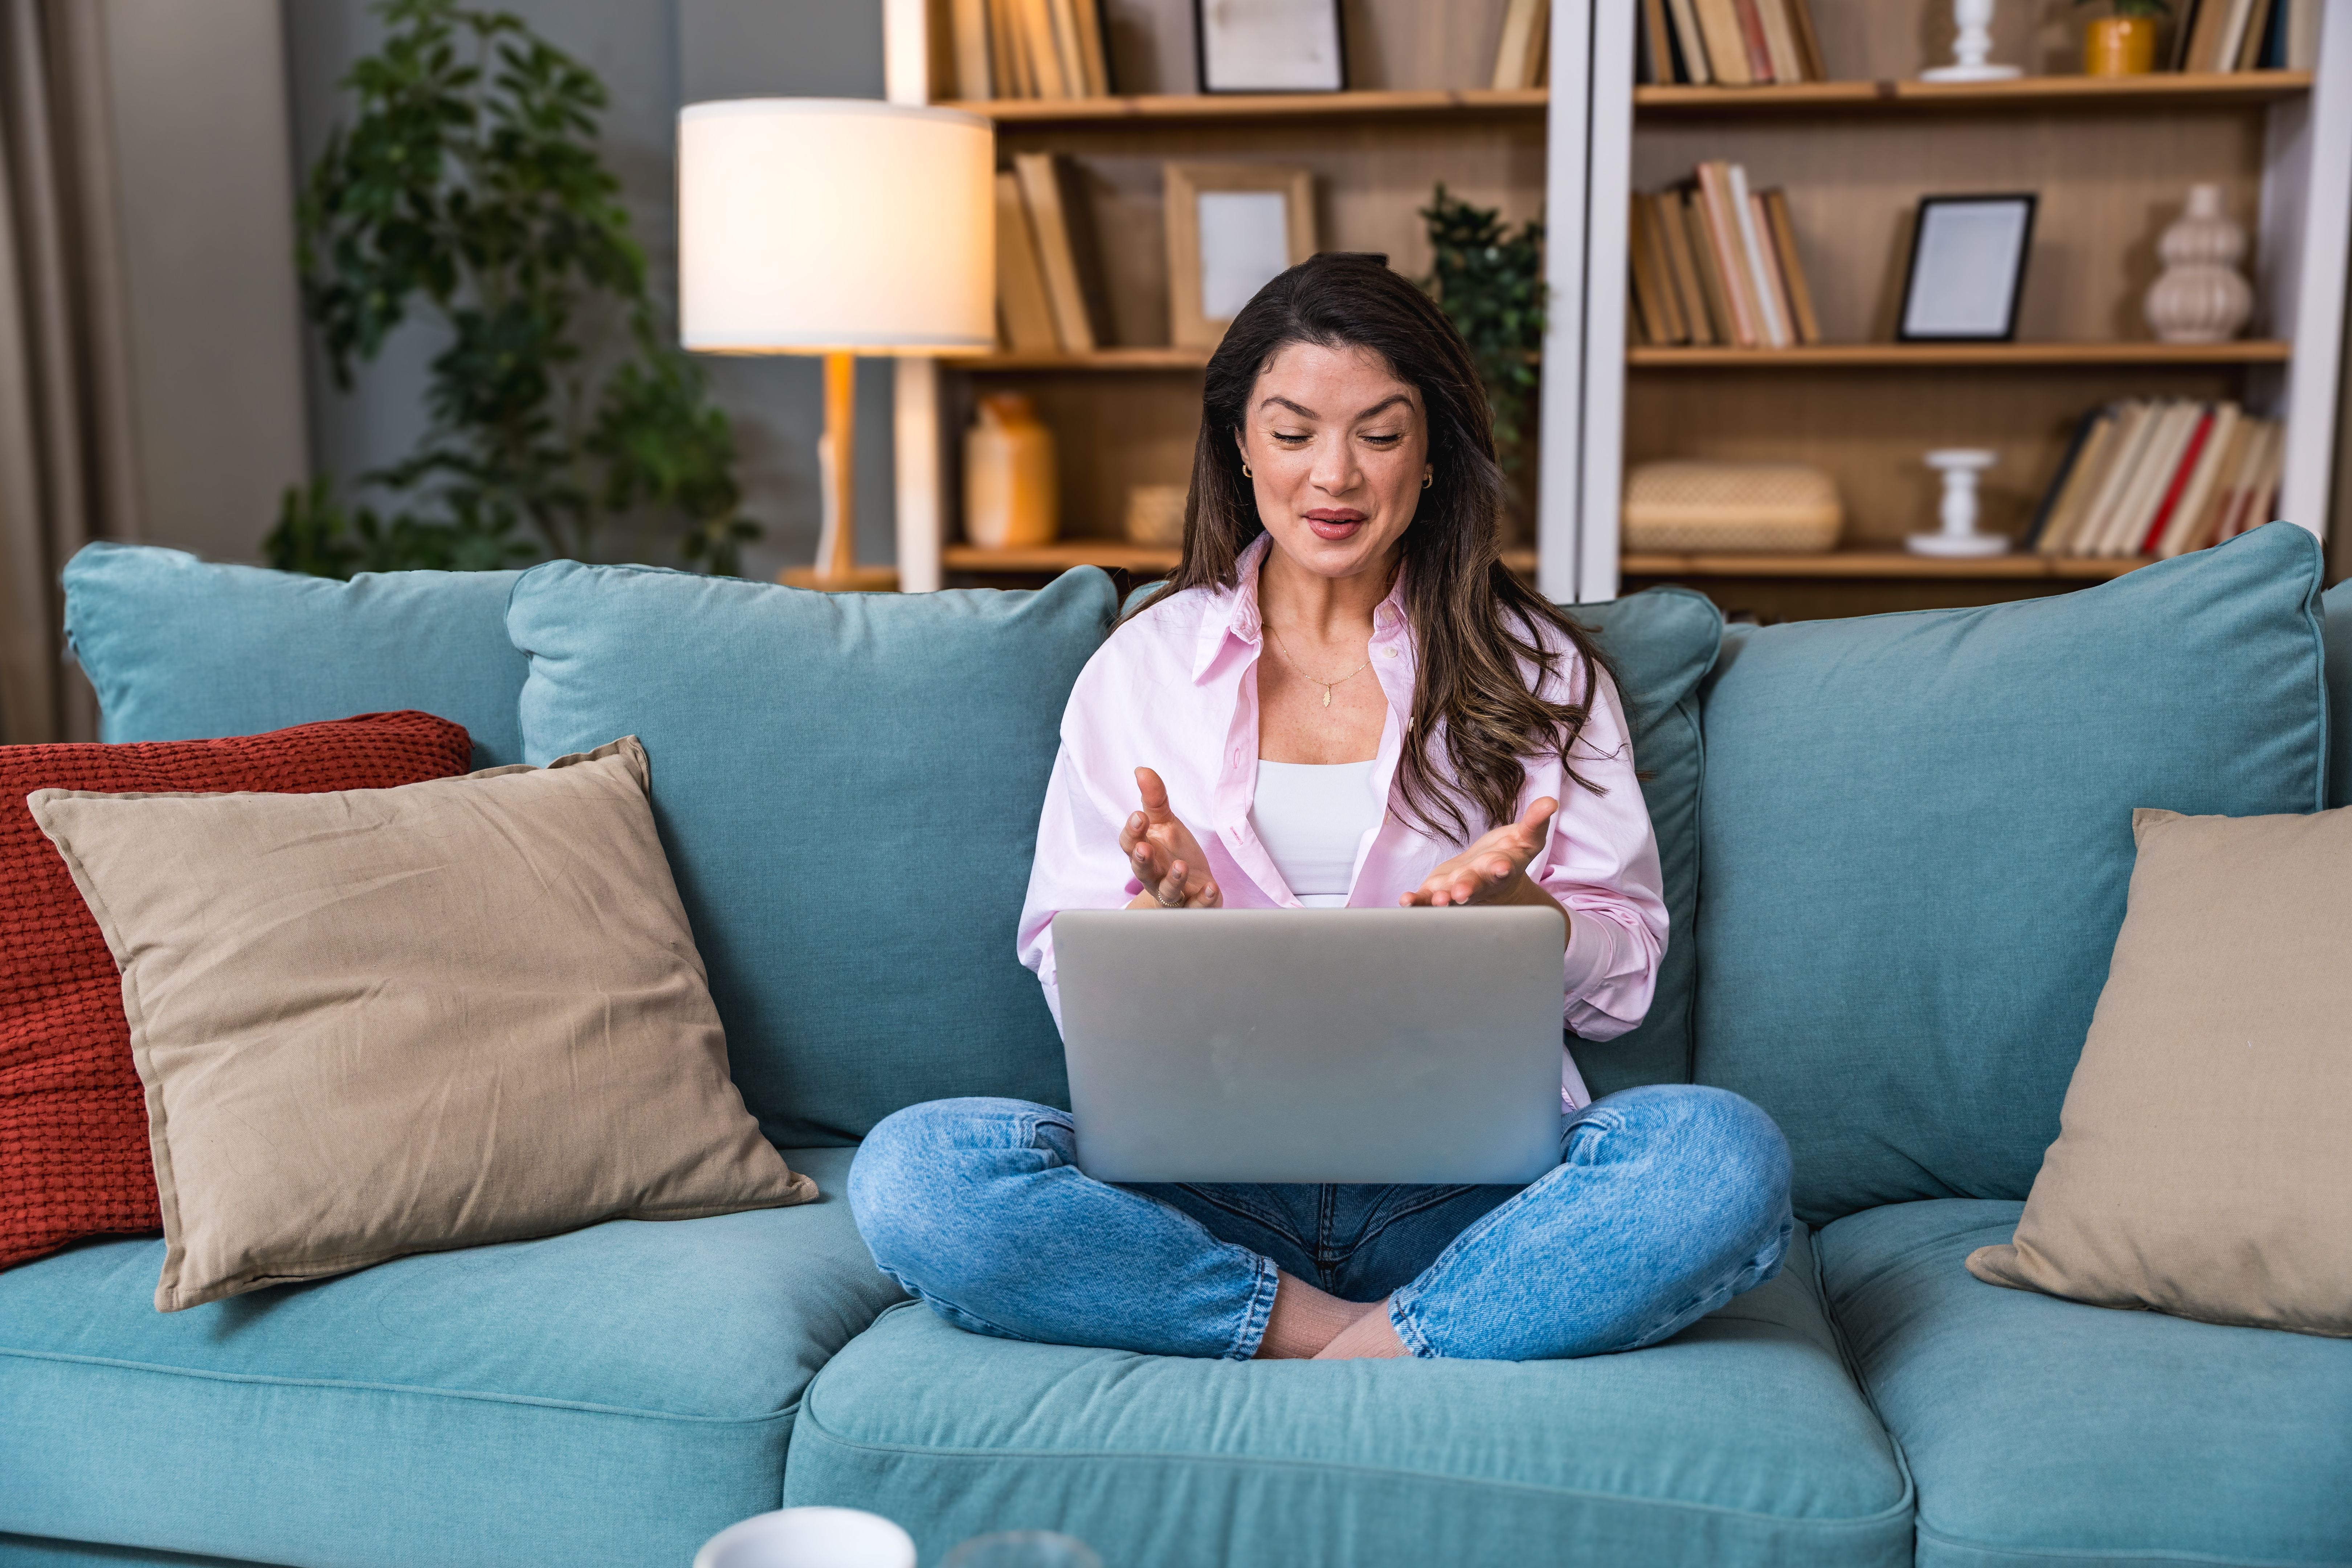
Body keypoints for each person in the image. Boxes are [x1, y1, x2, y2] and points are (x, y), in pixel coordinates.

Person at [848, 252, 1790, 1361]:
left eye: (1380, 435)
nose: (1334, 477)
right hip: (1201, 1189)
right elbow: (1068, 965)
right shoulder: (1141, 668)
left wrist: (1526, 910)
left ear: (1435, 449)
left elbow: (1626, 979)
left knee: (1721, 1156)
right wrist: (1167, 924)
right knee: (915, 1173)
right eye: (1293, 434)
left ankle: (1332, 1342)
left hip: (1475, 1194)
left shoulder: (1538, 672)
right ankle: (1379, 1341)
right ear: (1239, 447)